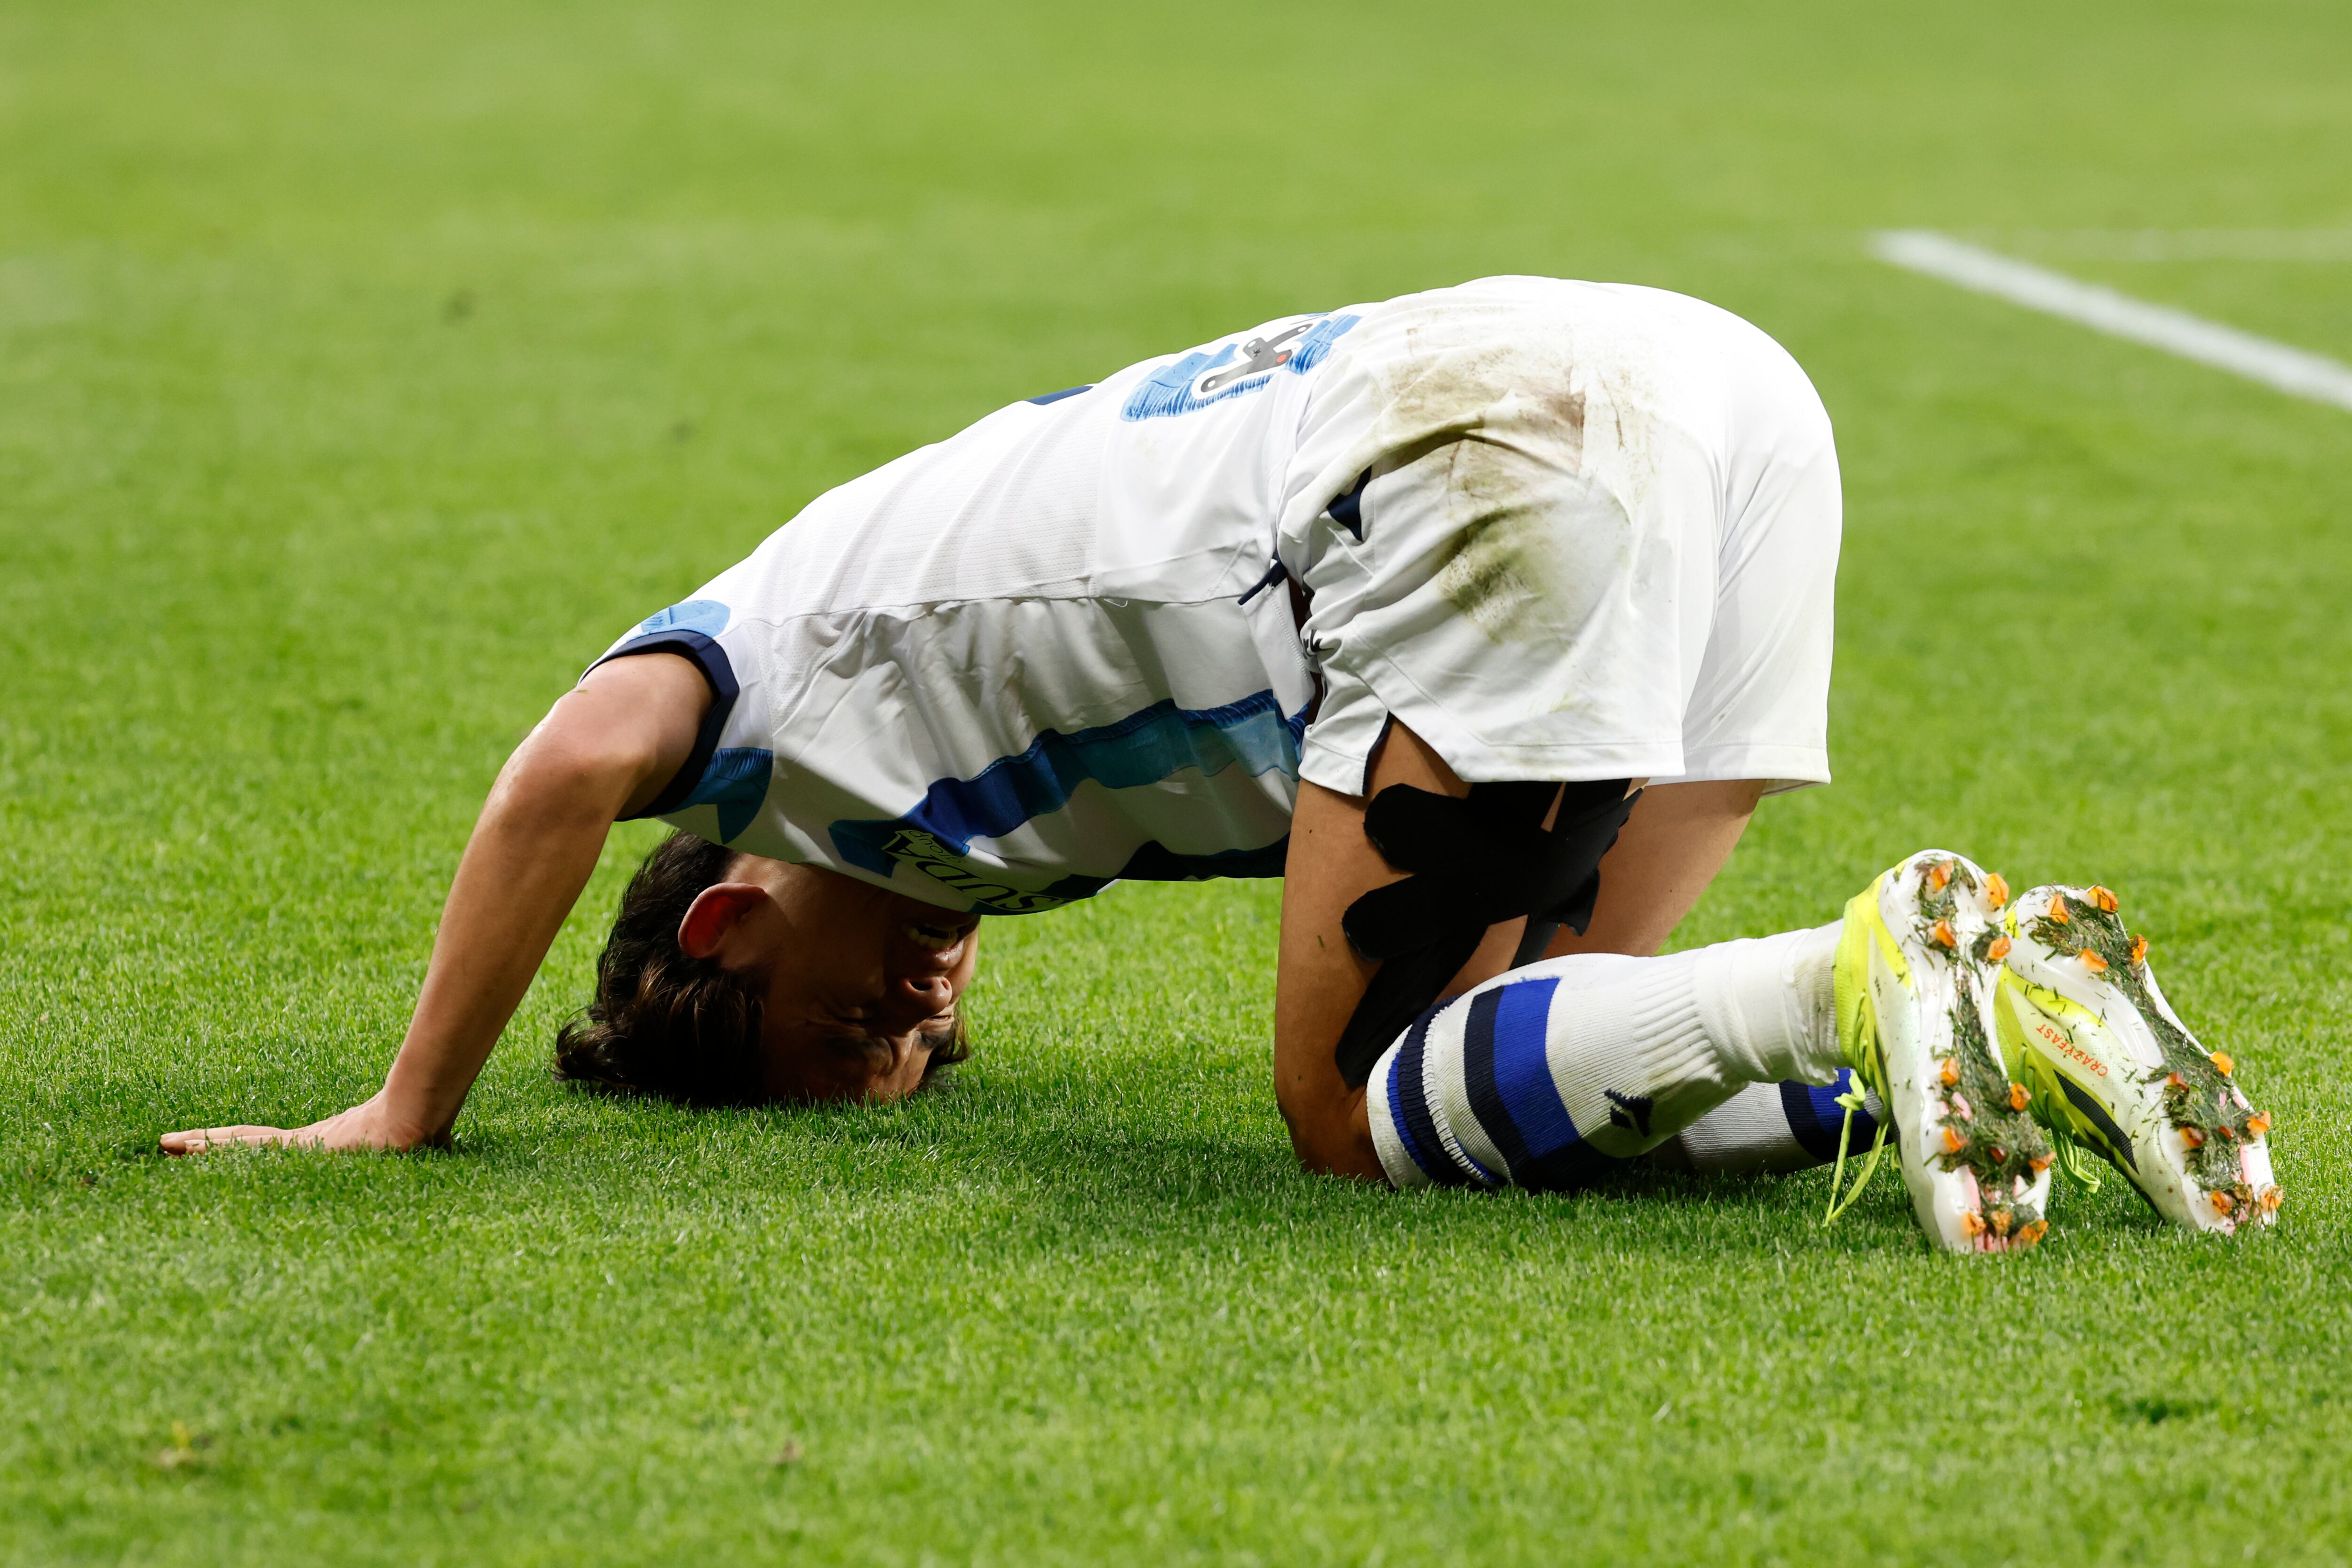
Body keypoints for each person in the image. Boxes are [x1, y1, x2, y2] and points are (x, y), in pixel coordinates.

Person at [159, 277, 2280, 1250]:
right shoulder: (982, 829)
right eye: (902, 1064)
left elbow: (558, 765)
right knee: (1526, 1082)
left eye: (838, 1035)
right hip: (1694, 374)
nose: (912, 1026)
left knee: (1356, 1125)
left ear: (721, 922)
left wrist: (403, 1113)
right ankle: (1976, 1020)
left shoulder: (756, 724)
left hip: (1460, 440)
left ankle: (1850, 981)